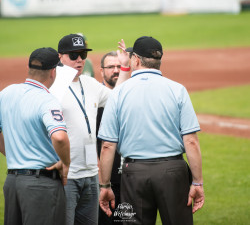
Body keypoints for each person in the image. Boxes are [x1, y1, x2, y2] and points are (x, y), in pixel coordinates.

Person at [98, 36, 205, 225]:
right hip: (173, 172)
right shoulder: (177, 89)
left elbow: (107, 145)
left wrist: (105, 185)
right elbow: (191, 141)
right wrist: (197, 182)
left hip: (133, 174)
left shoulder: (118, 93)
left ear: (136, 60)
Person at [57, 34, 130, 225]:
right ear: (60, 57)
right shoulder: (53, 88)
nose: (79, 59)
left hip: (90, 174)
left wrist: (124, 67)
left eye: (82, 54)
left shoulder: (90, 84)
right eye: (73, 55)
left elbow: (117, 97)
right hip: (67, 176)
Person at [0, 47, 71, 225]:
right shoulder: (47, 99)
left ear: (28, 67)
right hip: (41, 186)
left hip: (12, 183)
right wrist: (65, 163)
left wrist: (16, 155)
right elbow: (60, 137)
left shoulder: (6, 93)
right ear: (53, 72)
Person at [96, 51, 122, 224]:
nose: (116, 70)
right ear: (101, 71)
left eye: (119, 66)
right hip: (103, 181)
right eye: (111, 67)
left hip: (129, 180)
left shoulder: (129, 98)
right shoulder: (94, 101)